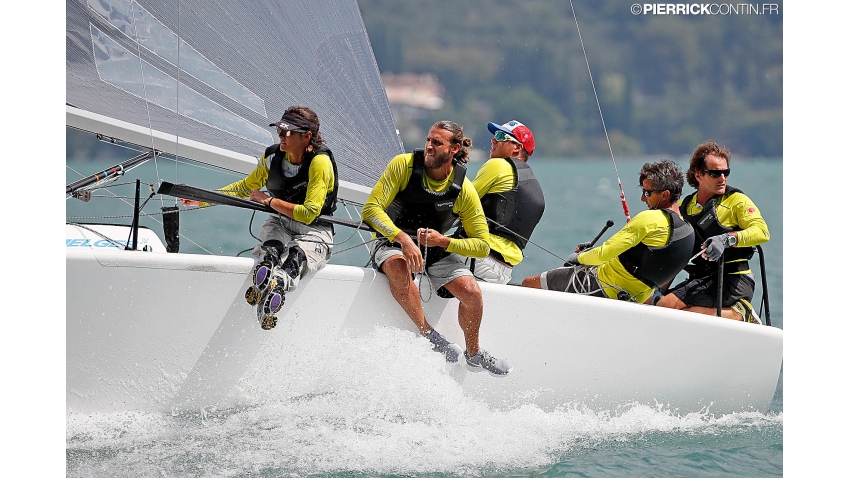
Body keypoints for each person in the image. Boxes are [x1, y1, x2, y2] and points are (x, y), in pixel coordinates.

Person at [361, 120, 512, 375]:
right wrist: (403, 239)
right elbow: (371, 210)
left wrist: (444, 241)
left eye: (437, 142)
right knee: (398, 267)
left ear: (454, 149)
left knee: (472, 292)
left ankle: (473, 353)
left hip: (436, 247)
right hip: (393, 242)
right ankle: (428, 334)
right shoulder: (403, 165)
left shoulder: (462, 188)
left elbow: (483, 246)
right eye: (428, 140)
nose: (429, 146)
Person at [181, 106, 338, 331]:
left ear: (307, 136)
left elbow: (309, 212)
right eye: (280, 131)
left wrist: (269, 201)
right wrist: (203, 199)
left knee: (295, 256)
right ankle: (271, 270)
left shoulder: (319, 163)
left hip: (314, 229)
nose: (282, 136)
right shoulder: (272, 156)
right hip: (280, 223)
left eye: (288, 132)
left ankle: (280, 279)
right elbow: (245, 187)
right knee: (274, 246)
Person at [521, 160, 695, 304]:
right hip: (634, 297)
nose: (643, 198)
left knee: (529, 284)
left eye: (647, 193)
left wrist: (578, 258)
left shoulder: (651, 219)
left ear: (664, 194)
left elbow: (604, 254)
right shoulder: (688, 231)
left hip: (600, 284)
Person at [656, 140, 770, 323]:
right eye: (715, 173)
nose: (722, 178)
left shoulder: (737, 201)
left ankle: (740, 314)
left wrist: (727, 239)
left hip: (734, 280)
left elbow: (762, 232)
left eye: (726, 172)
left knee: (665, 307)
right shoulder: (685, 207)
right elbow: (677, 254)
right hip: (701, 280)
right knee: (653, 303)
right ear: (698, 175)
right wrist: (659, 287)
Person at [458, 120, 545, 284]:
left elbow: (459, 203)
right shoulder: (532, 182)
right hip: (503, 271)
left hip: (477, 259)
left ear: (517, 148)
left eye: (500, 136)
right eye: (494, 136)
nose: (493, 140)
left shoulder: (497, 164)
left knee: (407, 255)